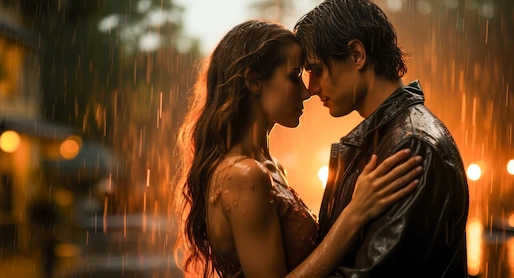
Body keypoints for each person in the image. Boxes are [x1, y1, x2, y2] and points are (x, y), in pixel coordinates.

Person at [174, 19, 424, 278]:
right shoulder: (244, 175)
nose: (307, 92)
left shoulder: (270, 167)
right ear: (254, 81)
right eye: (294, 76)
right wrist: (355, 213)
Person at [293, 0, 469, 277]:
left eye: (317, 69)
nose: (312, 88)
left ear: (356, 55)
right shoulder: (388, 139)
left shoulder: (412, 146)